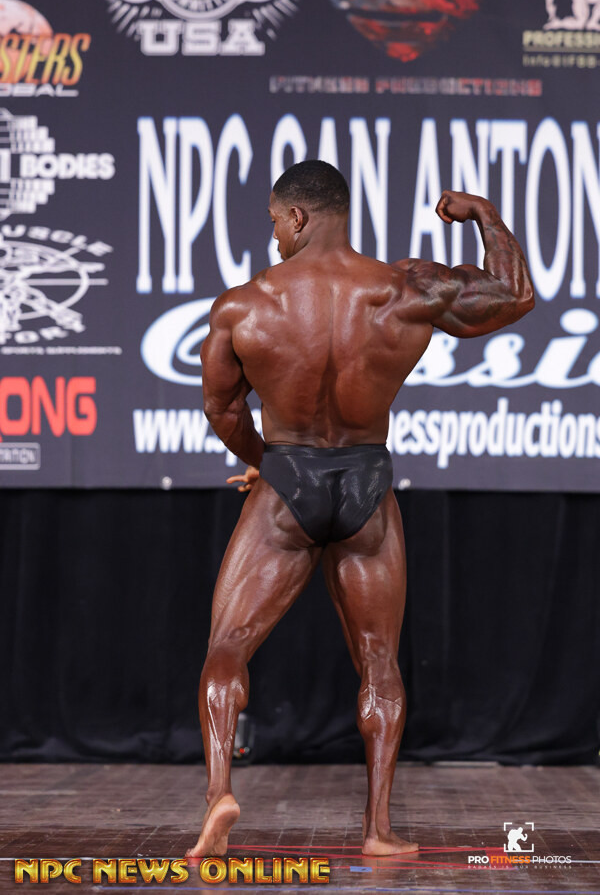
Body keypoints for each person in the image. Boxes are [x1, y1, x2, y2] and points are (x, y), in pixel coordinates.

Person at [186, 160, 534, 859]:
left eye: (275, 222)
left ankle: (220, 791)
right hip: (366, 483)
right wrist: (483, 214)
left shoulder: (244, 306)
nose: (274, 236)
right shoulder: (404, 289)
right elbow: (514, 296)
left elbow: (222, 410)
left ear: (298, 217)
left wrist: (268, 463)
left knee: (228, 646)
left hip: (288, 482)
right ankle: (377, 829)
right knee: (379, 659)